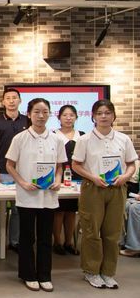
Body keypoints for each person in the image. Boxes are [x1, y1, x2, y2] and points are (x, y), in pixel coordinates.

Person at [72, 99, 137, 289]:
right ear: (93, 116)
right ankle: (91, 271)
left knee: (113, 233)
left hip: (117, 188)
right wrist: (93, 177)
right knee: (91, 231)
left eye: (107, 113)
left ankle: (108, 272)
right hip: (93, 188)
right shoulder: (84, 140)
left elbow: (131, 164)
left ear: (113, 116)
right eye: (99, 113)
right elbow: (76, 165)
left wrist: (125, 176)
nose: (103, 116)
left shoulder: (123, 139)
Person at [5, 98, 66, 292]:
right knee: (27, 237)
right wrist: (22, 182)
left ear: (50, 114)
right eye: (37, 112)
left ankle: (44, 275)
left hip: (48, 196)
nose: (41, 116)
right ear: (29, 114)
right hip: (27, 197)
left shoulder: (57, 139)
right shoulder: (20, 138)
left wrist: (58, 180)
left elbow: (60, 166)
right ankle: (28, 274)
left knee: (45, 238)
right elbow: (9, 165)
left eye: (45, 112)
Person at [0, 88, 28, 252]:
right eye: (8, 98)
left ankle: (15, 241)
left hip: (23, 173)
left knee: (18, 210)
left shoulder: (27, 120)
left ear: (20, 100)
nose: (11, 101)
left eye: (14, 98)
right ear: (3, 102)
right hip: (3, 172)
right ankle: (0, 240)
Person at [52, 105, 83, 256]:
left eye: (71, 115)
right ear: (59, 118)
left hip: (77, 177)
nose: (68, 118)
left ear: (76, 117)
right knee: (59, 211)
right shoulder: (53, 135)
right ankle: (57, 242)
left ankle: (69, 242)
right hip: (58, 177)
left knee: (71, 211)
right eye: (65, 115)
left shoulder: (82, 135)